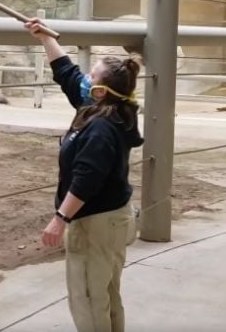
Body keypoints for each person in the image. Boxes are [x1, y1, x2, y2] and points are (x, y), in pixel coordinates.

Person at [24, 17, 144, 332]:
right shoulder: (108, 108)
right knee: (104, 293)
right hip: (112, 219)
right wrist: (45, 37)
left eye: (92, 76)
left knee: (88, 299)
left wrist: (60, 219)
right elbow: (67, 74)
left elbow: (87, 179)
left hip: (95, 224)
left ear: (101, 91)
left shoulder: (101, 128)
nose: (85, 78)